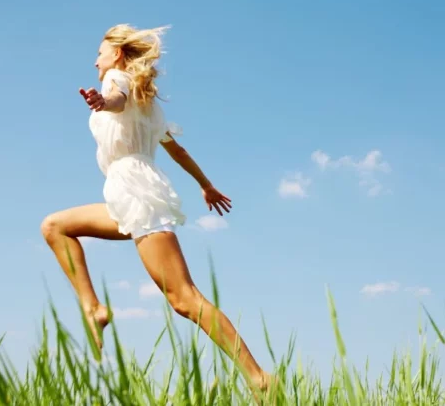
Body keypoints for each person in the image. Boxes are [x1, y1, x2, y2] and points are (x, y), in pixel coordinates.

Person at [40, 24, 272, 394]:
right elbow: (178, 151)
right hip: (127, 191)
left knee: (184, 298)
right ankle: (94, 308)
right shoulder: (148, 105)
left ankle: (259, 378)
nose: (95, 60)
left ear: (116, 54)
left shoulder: (116, 81)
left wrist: (105, 103)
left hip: (135, 190)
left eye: (99, 53)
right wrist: (206, 185)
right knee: (54, 226)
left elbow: (115, 97)